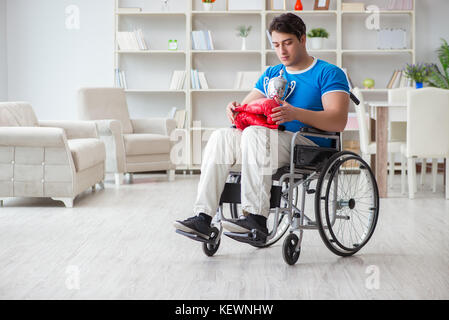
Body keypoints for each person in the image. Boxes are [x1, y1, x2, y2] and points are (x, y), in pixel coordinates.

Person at [174, 13, 350, 243]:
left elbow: (338, 120)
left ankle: (255, 218)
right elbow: (248, 107)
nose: (282, 51)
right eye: (276, 45)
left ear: (303, 39)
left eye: (288, 43)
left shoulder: (328, 72)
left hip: (308, 145)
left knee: (256, 134)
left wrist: (295, 113)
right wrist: (235, 109)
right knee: (221, 136)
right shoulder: (271, 74)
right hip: (268, 141)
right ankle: (203, 217)